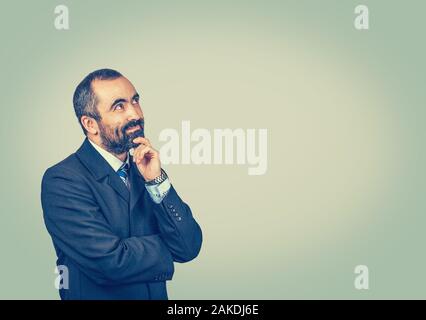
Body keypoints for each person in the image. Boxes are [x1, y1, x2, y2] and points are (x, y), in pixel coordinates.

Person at [41, 69, 202, 300]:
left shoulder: (144, 170)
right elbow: (110, 262)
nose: (134, 113)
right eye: (119, 106)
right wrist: (167, 246)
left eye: (135, 101)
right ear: (90, 124)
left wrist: (156, 180)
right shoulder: (63, 180)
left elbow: (188, 245)